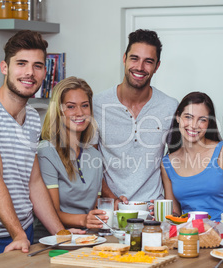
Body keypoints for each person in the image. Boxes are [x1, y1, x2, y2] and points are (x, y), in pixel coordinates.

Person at [0, 30, 84, 261]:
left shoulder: (33, 117)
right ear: (4, 67)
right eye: (21, 63)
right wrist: (16, 234)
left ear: (45, 72)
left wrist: (61, 234)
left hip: (25, 231)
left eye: (37, 65)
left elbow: (34, 182)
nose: (29, 72)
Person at [93, 29, 178, 208]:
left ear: (157, 66)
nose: (140, 67)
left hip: (154, 209)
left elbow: (177, 160)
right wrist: (111, 197)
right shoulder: (97, 104)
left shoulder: (170, 106)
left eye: (148, 61)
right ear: (124, 58)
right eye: (134, 58)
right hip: (111, 208)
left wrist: (168, 205)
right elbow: (91, 161)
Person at [34, 76, 107, 240]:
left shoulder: (94, 155)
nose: (80, 113)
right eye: (71, 107)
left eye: (85, 106)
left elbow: (95, 206)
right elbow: (52, 212)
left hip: (87, 237)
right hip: (52, 237)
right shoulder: (46, 151)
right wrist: (84, 220)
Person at [161, 92, 223, 221]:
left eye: (202, 120)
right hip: (189, 236)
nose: (194, 125)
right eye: (188, 117)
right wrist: (159, 211)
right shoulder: (167, 163)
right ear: (178, 117)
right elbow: (175, 215)